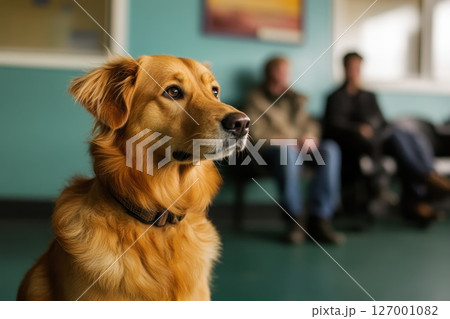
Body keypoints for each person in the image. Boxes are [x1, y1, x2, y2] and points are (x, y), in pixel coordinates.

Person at [323, 52, 450, 226]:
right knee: (401, 142)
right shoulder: (335, 97)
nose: (355, 71)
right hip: (356, 143)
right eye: (351, 67)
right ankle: (424, 182)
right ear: (344, 68)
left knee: (404, 134)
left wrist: (375, 129)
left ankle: (423, 184)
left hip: (379, 139)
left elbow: (381, 121)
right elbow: (332, 125)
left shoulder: (369, 96)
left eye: (358, 68)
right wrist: (357, 129)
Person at [244, 56, 345, 245]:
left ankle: (320, 218)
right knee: (287, 152)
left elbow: (310, 123)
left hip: (301, 148)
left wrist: (310, 136)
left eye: (285, 71)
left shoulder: (295, 97)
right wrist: (292, 141)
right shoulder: (254, 99)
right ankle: (295, 219)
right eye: (278, 71)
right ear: (268, 73)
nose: (282, 76)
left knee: (330, 149)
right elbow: (255, 136)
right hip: (269, 152)